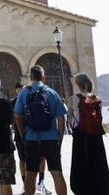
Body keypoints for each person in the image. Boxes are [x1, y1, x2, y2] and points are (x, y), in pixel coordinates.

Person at [14, 65, 68, 195]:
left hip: (31, 138)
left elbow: (17, 115)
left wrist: (23, 134)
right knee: (57, 172)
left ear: (31, 77)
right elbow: (62, 118)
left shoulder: (24, 93)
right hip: (51, 138)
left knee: (31, 173)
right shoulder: (52, 93)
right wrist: (59, 138)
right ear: (43, 77)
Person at [68, 73, 109, 195]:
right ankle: (101, 188)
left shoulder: (73, 99)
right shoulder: (97, 100)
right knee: (98, 162)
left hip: (80, 135)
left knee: (81, 163)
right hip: (96, 136)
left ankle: (82, 189)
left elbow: (70, 119)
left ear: (78, 84)